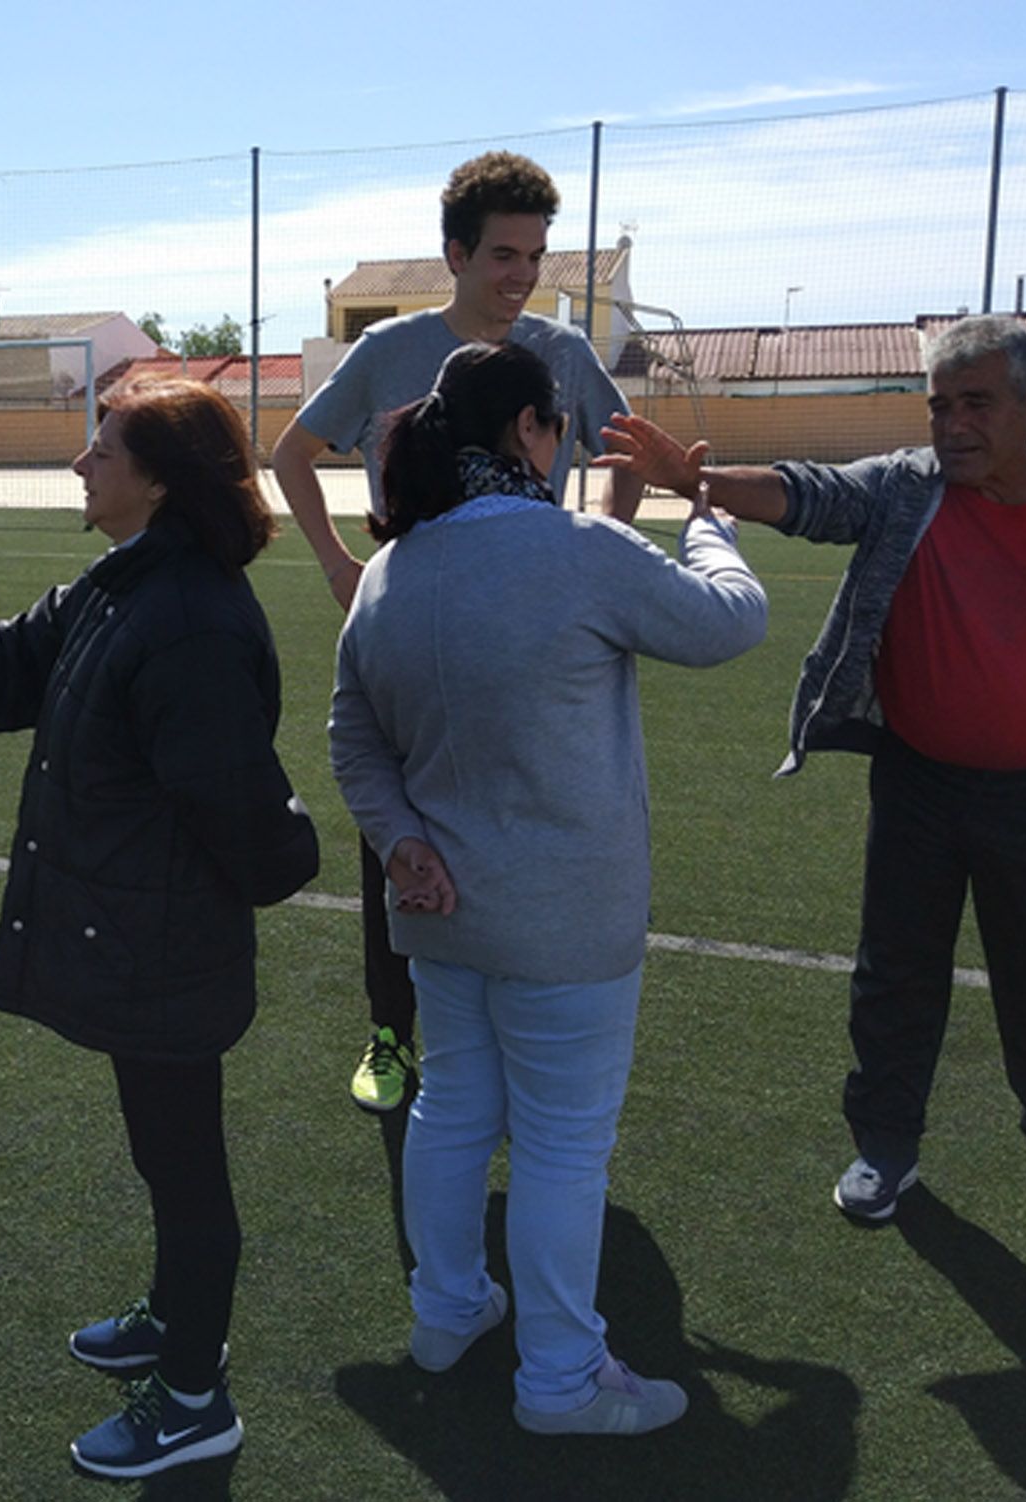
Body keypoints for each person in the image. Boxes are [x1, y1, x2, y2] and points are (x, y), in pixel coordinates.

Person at [0, 376, 319, 1478]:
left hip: (166, 946)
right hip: (140, 939)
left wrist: (290, 858)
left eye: (101, 450)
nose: (81, 465)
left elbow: (238, 805)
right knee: (163, 1156)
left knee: (188, 1172)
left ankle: (193, 1392)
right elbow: (17, 657)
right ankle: (173, 1318)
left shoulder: (184, 616)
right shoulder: (126, 581)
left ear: (156, 478)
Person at [598, 314, 1026, 1236]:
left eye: (977, 404)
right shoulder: (908, 487)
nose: (953, 426)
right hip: (918, 786)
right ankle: (888, 1145)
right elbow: (810, 493)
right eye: (941, 405)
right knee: (895, 977)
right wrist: (695, 480)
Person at [330, 342, 766, 1435]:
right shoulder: (575, 549)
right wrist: (701, 512)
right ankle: (560, 1377)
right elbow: (730, 618)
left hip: (440, 913)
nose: (566, 442)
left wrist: (397, 841)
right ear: (527, 428)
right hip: (561, 914)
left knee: (451, 1108)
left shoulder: (393, 566)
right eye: (557, 424)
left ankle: (445, 1309)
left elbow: (351, 734)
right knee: (562, 1147)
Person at [271, 150, 646, 1114]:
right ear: (455, 254)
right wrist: (338, 569)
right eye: (503, 255)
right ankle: (392, 1036)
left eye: (536, 256)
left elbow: (627, 448)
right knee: (394, 831)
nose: (522, 275)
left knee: (531, 835)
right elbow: (291, 454)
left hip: (527, 650)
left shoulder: (562, 356)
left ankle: (518, 1042)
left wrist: (601, 546)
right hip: (412, 641)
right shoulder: (389, 352)